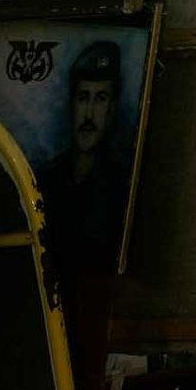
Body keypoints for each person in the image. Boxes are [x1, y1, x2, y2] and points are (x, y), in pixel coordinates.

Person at [36, 40, 133, 274]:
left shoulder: (123, 186)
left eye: (100, 99)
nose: (89, 114)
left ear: (111, 111)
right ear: (72, 105)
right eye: (83, 97)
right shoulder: (44, 180)